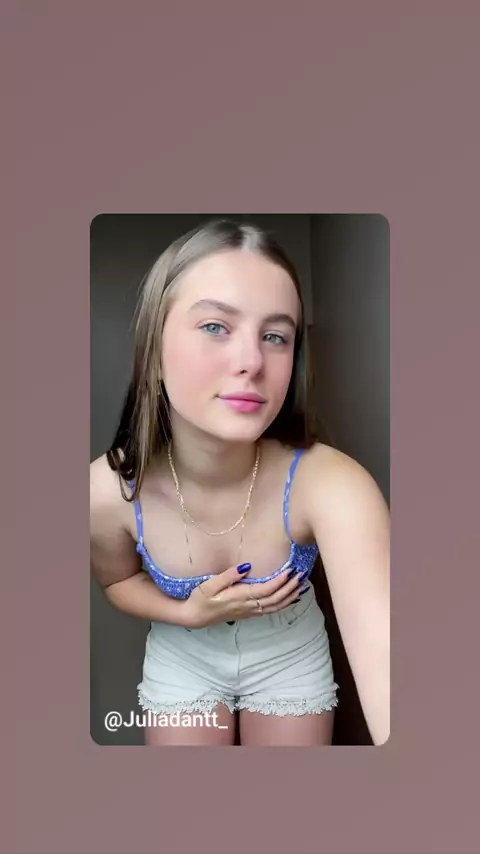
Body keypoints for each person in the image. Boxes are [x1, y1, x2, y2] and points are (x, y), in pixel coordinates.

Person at [90, 219, 390, 747]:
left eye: (275, 337)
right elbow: (117, 583)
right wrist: (187, 613)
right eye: (215, 326)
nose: (252, 362)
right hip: (182, 657)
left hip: (291, 656)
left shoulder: (331, 485)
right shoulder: (105, 492)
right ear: (153, 352)